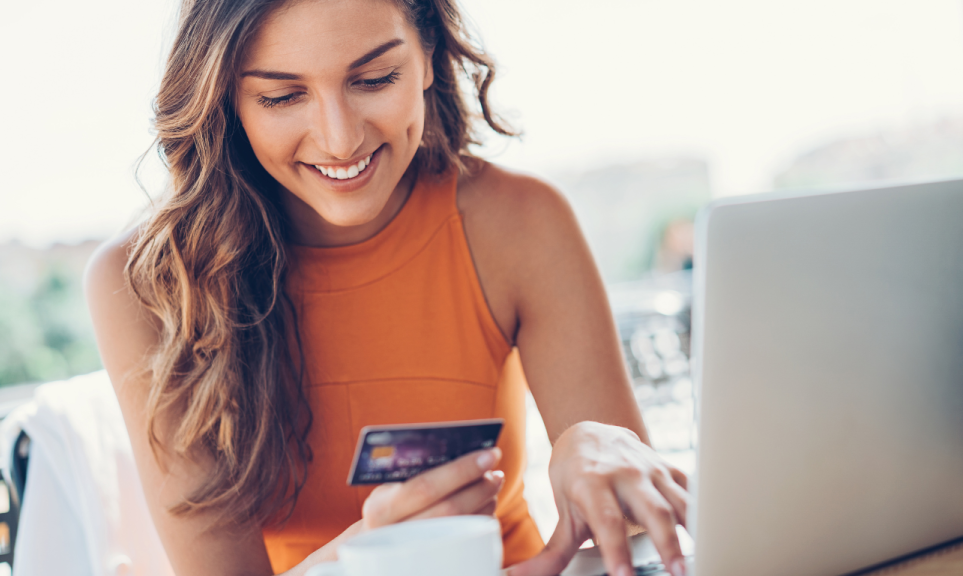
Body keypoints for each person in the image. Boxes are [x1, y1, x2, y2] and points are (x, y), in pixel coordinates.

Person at [84, 0, 690, 575]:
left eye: (374, 79)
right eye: (281, 96)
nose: (340, 139)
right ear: (226, 101)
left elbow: (637, 535)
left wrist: (594, 444)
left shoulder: (519, 223)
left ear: (426, 55)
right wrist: (366, 562)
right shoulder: (147, 286)